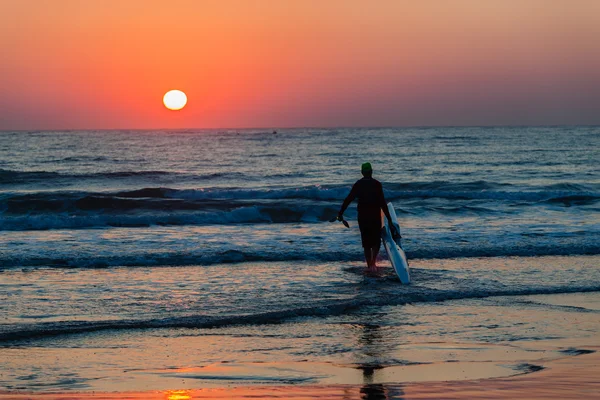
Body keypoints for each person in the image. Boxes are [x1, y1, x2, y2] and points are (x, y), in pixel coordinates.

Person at [338, 162, 398, 270]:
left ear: (362, 172)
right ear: (371, 172)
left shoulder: (358, 184)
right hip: (374, 216)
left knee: (366, 242)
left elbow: (348, 199)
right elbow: (383, 203)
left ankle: (369, 265)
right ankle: (373, 262)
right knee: (376, 241)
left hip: (363, 217)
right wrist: (389, 219)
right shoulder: (377, 184)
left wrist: (340, 213)